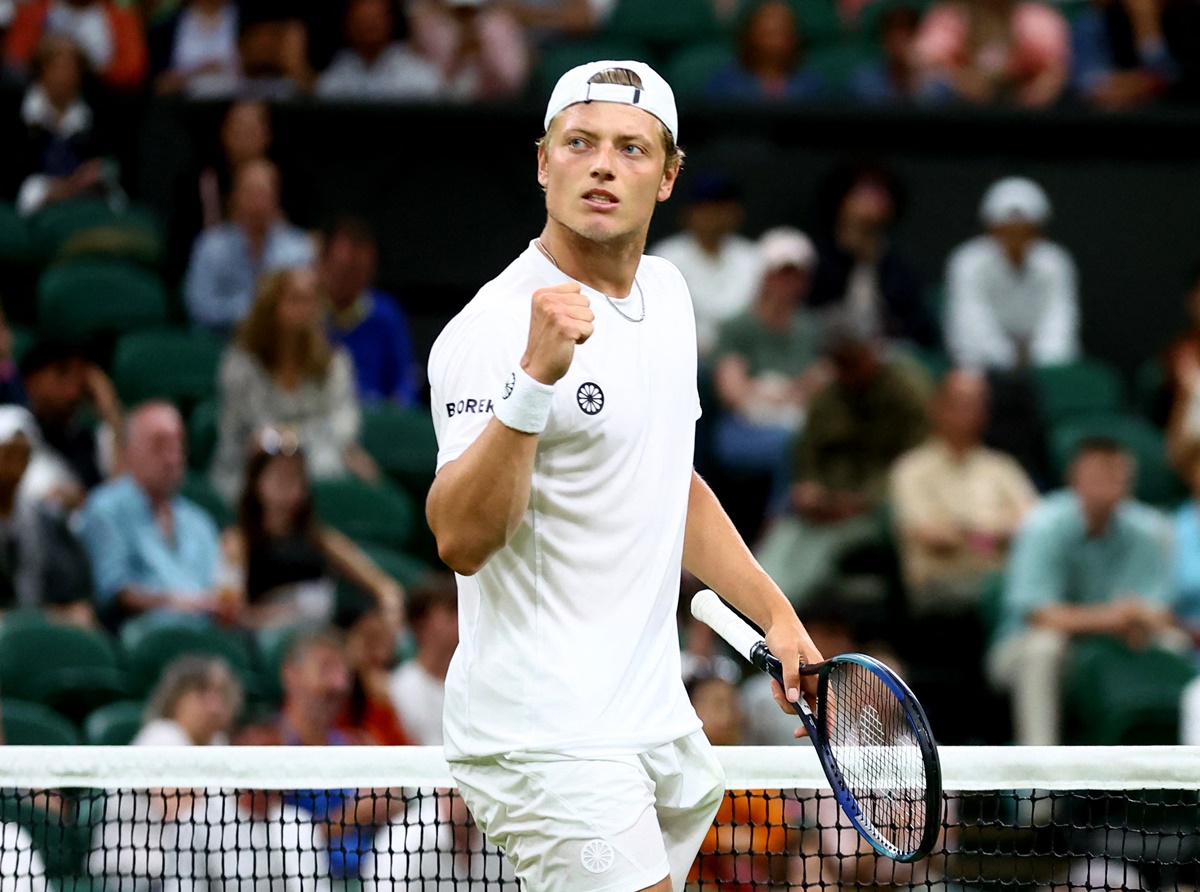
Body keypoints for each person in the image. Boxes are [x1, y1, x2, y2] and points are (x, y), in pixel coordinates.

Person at [425, 59, 821, 892]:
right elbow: (460, 539)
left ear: (668, 176)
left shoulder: (670, 296)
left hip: (652, 721)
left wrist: (775, 614)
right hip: (546, 734)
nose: (603, 165)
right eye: (580, 142)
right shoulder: (492, 329)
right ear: (543, 162)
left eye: (632, 149)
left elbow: (667, 481)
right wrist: (533, 381)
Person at [990, 437, 1177, 746]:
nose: (1108, 485)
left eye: (1116, 475)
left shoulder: (1150, 529)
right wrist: (1116, 618)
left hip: (1111, 645)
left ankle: (1168, 775)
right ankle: (1037, 779)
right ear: (1074, 480)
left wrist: (1139, 619)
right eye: (1097, 476)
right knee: (1044, 648)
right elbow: (1041, 616)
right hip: (1023, 647)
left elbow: (1158, 613)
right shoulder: (1042, 525)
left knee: (1173, 645)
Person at [755, 322, 929, 607]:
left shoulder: (905, 393)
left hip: (874, 508)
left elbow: (915, 463)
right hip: (822, 505)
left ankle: (780, 612)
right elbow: (806, 452)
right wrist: (809, 489)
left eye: (853, 360)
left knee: (816, 556)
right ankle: (750, 607)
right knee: (781, 543)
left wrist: (858, 502)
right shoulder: (829, 396)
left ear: (870, 354)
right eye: (839, 362)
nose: (847, 371)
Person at [209, 266, 373, 503]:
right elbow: (252, 435)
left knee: (336, 471)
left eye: (312, 301)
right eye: (295, 300)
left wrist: (284, 437)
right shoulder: (241, 366)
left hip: (315, 468)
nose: (306, 310)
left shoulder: (335, 364)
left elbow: (343, 427)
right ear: (271, 306)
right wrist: (303, 436)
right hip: (247, 470)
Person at [890, 370, 1038, 615]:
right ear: (937, 407)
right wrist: (998, 534)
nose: (969, 411)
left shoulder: (1002, 467)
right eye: (960, 403)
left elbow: (1034, 524)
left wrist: (966, 531)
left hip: (1001, 584)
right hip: (941, 591)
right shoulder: (911, 470)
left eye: (977, 403)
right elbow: (932, 537)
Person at [221, 436, 402, 629]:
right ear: (257, 482)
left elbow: (382, 584)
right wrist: (292, 610)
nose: (289, 484)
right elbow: (231, 615)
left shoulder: (319, 538)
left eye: (296, 475)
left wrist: (390, 608)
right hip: (271, 636)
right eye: (280, 475)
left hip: (323, 633)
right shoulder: (238, 540)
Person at [79, 401, 229, 629]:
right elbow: (115, 593)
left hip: (207, 637)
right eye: (159, 445)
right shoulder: (106, 509)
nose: (173, 459)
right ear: (127, 452)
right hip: (146, 637)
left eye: (178, 445)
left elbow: (218, 590)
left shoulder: (200, 520)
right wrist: (176, 602)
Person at [711, 227, 828, 488]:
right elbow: (733, 393)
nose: (787, 284)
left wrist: (787, 394)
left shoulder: (811, 329)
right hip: (743, 429)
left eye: (795, 276)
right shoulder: (737, 327)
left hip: (799, 423)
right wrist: (784, 394)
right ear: (763, 276)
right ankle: (777, 526)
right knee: (796, 445)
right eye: (779, 274)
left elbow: (821, 383)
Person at [944, 176, 1080, 372]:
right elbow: (971, 325)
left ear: (1038, 231)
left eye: (1025, 230)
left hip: (1043, 370)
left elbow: (1059, 322)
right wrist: (1007, 359)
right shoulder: (968, 262)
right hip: (982, 368)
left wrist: (1044, 363)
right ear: (991, 229)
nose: (1016, 238)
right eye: (1006, 230)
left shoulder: (1056, 262)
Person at [809, 161, 936, 348]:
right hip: (825, 350)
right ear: (842, 199)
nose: (872, 200)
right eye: (863, 191)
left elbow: (919, 329)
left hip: (885, 355)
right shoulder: (816, 259)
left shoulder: (899, 268)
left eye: (880, 193)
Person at [183, 158, 315, 335]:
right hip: (222, 344)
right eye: (250, 193)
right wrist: (254, 312)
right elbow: (198, 307)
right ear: (234, 198)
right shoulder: (210, 246)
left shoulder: (298, 249)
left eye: (264, 194)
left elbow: (307, 309)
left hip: (279, 346)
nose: (257, 203)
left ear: (276, 199)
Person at [648, 172, 762, 359]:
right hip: (684, 357)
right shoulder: (666, 258)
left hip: (744, 358)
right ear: (689, 213)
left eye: (724, 207)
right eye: (709, 208)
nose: (717, 216)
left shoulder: (752, 258)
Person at [0, 407, 96, 626]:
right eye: (7, 455)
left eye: (23, 456)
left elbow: (74, 590)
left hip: (37, 621)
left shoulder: (44, 521)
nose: (14, 468)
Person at [320, 217, 419, 405]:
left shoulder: (385, 314)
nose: (352, 280)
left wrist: (398, 407)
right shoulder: (306, 314)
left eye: (361, 272)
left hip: (372, 418)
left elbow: (405, 379)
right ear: (324, 264)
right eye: (345, 270)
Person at [18, 339, 122, 508]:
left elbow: (124, 500)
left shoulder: (89, 440)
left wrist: (110, 410)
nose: (73, 388)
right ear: (31, 379)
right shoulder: (11, 424)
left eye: (80, 377)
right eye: (62, 372)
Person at [912, 0, 1071, 107]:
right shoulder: (952, 14)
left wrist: (1030, 100)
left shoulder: (1037, 18)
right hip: (962, 112)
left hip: (1020, 112)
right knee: (933, 85)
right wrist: (961, 79)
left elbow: (1056, 69)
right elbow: (921, 58)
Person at [4, 0, 148, 91]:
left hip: (100, 96)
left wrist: (82, 68)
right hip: (37, 91)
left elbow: (133, 69)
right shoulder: (39, 10)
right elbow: (15, 57)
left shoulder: (120, 18)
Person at [315, 0, 443, 101]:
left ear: (390, 21)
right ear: (347, 24)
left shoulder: (419, 77)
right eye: (361, 21)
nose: (367, 28)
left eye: (374, 22)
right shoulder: (335, 76)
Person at [407, 0, 530, 100]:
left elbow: (514, 86)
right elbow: (425, 86)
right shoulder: (429, 25)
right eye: (461, 13)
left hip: (496, 112)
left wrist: (483, 56)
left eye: (470, 12)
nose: (466, 17)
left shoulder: (500, 25)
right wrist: (459, 58)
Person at [705, 0, 825, 102]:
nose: (775, 42)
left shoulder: (811, 86)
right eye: (768, 34)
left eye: (782, 33)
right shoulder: (725, 85)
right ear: (750, 35)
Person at [388, 573, 458, 746]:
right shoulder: (400, 687)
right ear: (421, 622)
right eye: (451, 611)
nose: (461, 619)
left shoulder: (475, 685)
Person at [1071, 0, 1181, 109]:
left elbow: (1170, 76)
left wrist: (1145, 21)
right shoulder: (1091, 21)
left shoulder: (1179, 17)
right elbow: (1091, 86)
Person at [134, 654, 242, 746]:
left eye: (221, 694)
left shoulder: (218, 742)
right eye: (201, 693)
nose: (215, 708)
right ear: (176, 699)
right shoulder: (162, 738)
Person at [148, 0, 240, 97]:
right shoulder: (166, 28)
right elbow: (159, 82)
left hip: (236, 101)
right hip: (182, 102)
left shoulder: (245, 18)